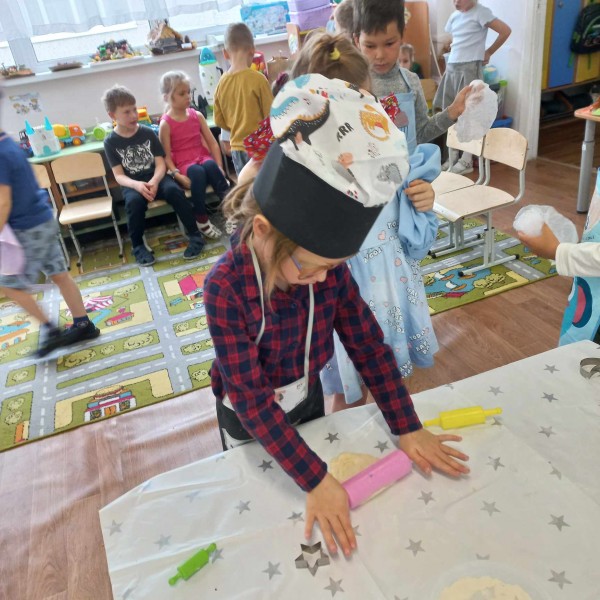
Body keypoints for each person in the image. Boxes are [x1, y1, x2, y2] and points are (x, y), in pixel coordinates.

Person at [204, 74, 469, 558]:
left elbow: (369, 346)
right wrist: (315, 478)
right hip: (246, 417)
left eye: (335, 267)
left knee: (306, 490)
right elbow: (251, 399)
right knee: (260, 514)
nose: (326, 280)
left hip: (306, 397)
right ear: (262, 231)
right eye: (313, 267)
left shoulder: (326, 272)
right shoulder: (225, 288)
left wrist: (406, 425)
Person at [241, 32, 440, 410]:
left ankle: (394, 425)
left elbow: (408, 209)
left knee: (390, 377)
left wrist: (423, 199)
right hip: (332, 291)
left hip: (391, 283)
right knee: (345, 391)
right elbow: (251, 207)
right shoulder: (295, 165)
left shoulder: (381, 150)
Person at [0, 126, 100, 358]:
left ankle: (52, 331)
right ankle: (83, 324)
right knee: (59, 274)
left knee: (10, 285)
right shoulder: (10, 144)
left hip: (27, 229)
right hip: (44, 219)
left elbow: (4, 202)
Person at [102, 85, 206, 267]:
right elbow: (119, 176)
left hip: (157, 177)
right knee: (133, 203)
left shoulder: (148, 132)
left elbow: (160, 163)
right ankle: (138, 246)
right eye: (127, 112)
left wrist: (155, 181)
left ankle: (195, 235)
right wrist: (137, 185)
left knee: (175, 191)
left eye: (134, 109)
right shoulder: (110, 142)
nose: (134, 115)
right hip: (133, 184)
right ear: (112, 115)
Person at [353, 0, 470, 153]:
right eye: (370, 46)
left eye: (389, 43)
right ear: (357, 41)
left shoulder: (411, 81)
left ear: (402, 35)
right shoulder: (351, 84)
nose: (380, 55)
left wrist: (452, 111)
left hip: (409, 166)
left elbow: (421, 134)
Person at [433, 0, 511, 174]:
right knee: (450, 113)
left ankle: (466, 160)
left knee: (470, 114)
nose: (456, 2)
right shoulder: (454, 16)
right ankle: (452, 157)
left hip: (469, 69)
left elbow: (505, 31)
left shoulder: (481, 12)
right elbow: (458, 40)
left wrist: (489, 52)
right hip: (452, 69)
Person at [159, 70, 228, 240]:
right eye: (182, 93)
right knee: (197, 172)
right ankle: (201, 219)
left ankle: (230, 210)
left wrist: (219, 167)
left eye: (188, 92)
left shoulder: (197, 116)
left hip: (202, 156)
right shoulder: (165, 124)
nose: (188, 96)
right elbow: (166, 156)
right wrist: (177, 176)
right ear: (167, 97)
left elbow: (213, 143)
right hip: (183, 164)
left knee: (210, 165)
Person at [213, 23, 273, 176]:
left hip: (237, 149)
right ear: (252, 51)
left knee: (244, 187)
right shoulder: (259, 80)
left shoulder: (221, 83)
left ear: (225, 53)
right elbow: (270, 116)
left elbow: (219, 120)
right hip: (258, 149)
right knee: (263, 188)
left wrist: (235, 123)